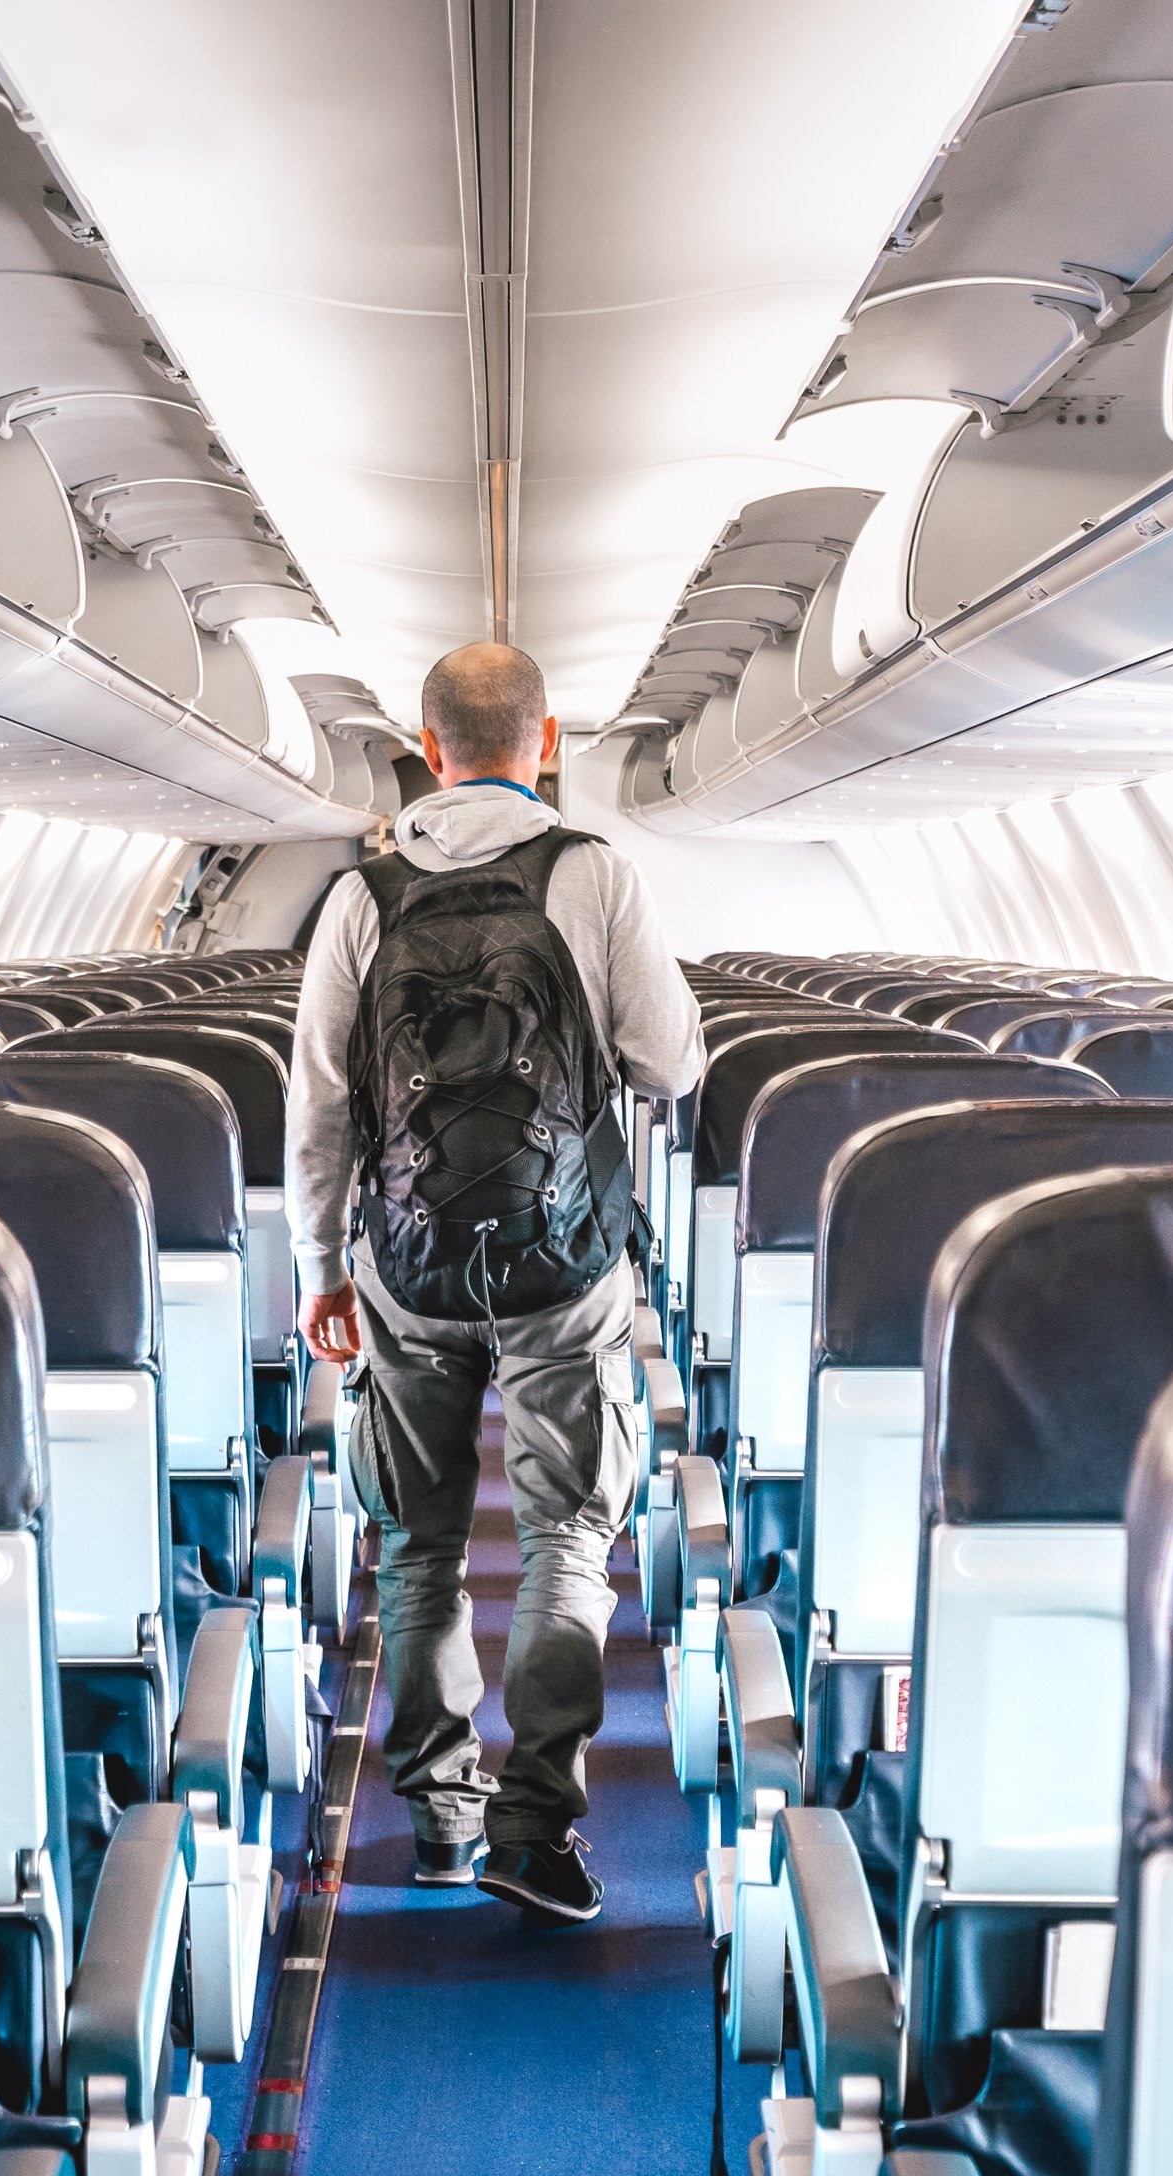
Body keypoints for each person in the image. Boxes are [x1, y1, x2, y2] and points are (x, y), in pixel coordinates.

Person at [286, 640, 704, 1923]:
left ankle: (440, 1821)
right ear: (548, 739)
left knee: (416, 1546)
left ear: (425, 739)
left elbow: (319, 1104)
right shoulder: (592, 877)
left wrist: (321, 1266)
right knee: (565, 1538)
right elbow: (669, 1065)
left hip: (406, 1270)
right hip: (562, 1262)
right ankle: (537, 1825)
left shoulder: (359, 897)